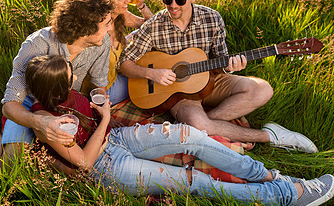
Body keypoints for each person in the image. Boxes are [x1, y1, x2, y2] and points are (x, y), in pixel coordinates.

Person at [28, 54, 334, 206]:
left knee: (193, 137)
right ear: (59, 85)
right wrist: (106, 118)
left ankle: (267, 175)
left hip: (116, 139)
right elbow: (83, 161)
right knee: (194, 181)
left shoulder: (66, 96)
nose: (74, 74)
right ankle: (285, 195)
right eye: (70, 75)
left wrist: (99, 111)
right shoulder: (52, 125)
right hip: (105, 165)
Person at [118, 0, 318, 153]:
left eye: (180, 0)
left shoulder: (212, 18)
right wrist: (152, 73)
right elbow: (124, 63)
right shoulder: (154, 25)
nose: (173, 6)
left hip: (210, 81)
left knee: (263, 89)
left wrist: (231, 67)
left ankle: (206, 124)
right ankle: (271, 136)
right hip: (178, 94)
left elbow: (221, 60)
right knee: (199, 124)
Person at [0, 0, 115, 169]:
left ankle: (35, 151)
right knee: (6, 166)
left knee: (72, 168)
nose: (111, 28)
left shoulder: (102, 43)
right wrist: (40, 122)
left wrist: (99, 105)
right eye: (106, 24)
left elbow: (99, 84)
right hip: (29, 104)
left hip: (65, 102)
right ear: (84, 32)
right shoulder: (37, 44)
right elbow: (10, 105)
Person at [82, 0, 153, 104]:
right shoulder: (96, 31)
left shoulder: (119, 14)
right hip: (103, 91)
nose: (127, 0)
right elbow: (96, 80)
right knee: (147, 82)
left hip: (116, 75)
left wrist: (141, 5)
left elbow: (150, 26)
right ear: (105, 1)